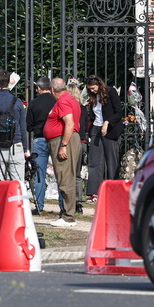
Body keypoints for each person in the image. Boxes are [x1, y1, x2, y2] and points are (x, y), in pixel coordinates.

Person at [43, 77, 81, 227]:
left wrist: (63, 144)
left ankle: (68, 216)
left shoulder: (63, 101)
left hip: (64, 140)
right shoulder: (70, 99)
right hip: (66, 139)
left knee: (65, 177)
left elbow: (69, 122)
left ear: (53, 89)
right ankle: (65, 213)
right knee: (66, 176)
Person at [84, 75, 123, 202]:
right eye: (90, 89)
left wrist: (107, 122)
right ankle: (94, 192)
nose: (92, 91)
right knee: (95, 161)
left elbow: (118, 112)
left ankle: (114, 190)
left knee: (111, 161)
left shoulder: (111, 92)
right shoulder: (93, 96)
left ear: (99, 85)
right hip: (96, 129)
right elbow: (93, 114)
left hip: (110, 130)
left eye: (94, 88)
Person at [0, 68, 28, 182]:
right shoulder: (17, 102)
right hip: (16, 145)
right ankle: (17, 200)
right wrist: (25, 148)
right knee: (18, 184)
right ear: (9, 82)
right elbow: (23, 127)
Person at [26, 76, 55, 215]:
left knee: (39, 174)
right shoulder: (56, 101)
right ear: (49, 87)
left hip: (39, 138)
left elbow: (28, 125)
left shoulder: (34, 103)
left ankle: (39, 204)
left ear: (38, 88)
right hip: (55, 139)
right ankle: (63, 206)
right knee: (60, 173)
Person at [67, 81, 89, 215]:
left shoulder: (68, 107)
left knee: (68, 173)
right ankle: (79, 202)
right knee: (78, 173)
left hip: (71, 140)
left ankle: (69, 202)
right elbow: (86, 125)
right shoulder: (83, 108)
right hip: (82, 140)